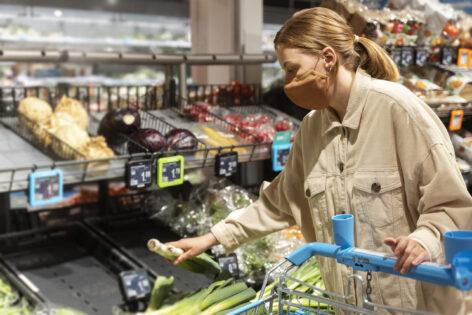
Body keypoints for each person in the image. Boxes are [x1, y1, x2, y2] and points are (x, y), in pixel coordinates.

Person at [167, 7, 472, 314]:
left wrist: (424, 239)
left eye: (291, 69)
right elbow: (278, 203)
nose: (287, 83)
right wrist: (211, 238)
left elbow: (451, 204)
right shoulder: (312, 129)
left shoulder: (399, 110)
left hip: (416, 305)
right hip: (348, 305)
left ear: (328, 58)